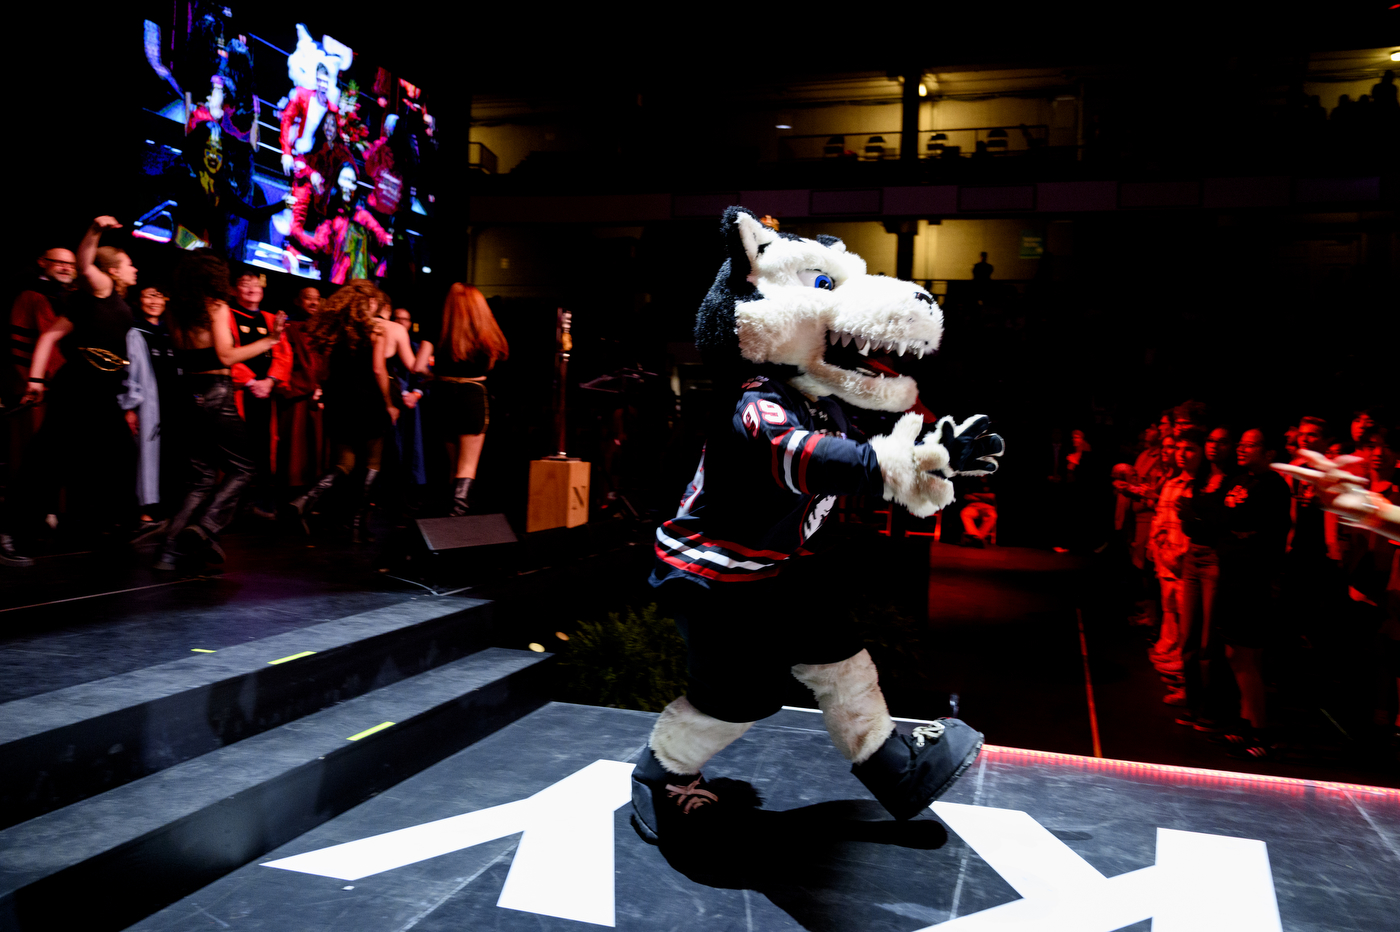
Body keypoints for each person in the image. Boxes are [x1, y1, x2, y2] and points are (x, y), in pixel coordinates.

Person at [154, 252, 285, 570]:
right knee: (244, 468)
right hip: (215, 393)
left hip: (186, 394)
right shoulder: (215, 306)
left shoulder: (173, 310)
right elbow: (226, 356)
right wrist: (270, 339)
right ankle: (204, 527)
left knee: (201, 478)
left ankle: (168, 554)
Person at [19, 217, 139, 545]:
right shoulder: (102, 289)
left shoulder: (98, 302)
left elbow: (49, 337)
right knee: (48, 458)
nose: (136, 269)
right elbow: (85, 263)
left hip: (102, 391)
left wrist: (36, 377)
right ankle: (18, 529)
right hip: (78, 387)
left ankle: (107, 522)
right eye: (129, 264)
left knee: (116, 455)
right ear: (112, 271)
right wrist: (94, 231)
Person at [289, 280, 398, 541]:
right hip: (368, 400)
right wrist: (389, 403)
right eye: (373, 301)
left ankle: (304, 500)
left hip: (338, 400)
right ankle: (357, 523)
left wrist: (323, 391)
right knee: (372, 462)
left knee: (344, 463)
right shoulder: (375, 330)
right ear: (367, 302)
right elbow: (378, 369)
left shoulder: (332, 329)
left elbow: (323, 369)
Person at [1211, 428, 1292, 758]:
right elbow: (1221, 521)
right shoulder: (1237, 480)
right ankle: (1246, 724)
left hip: (1252, 580)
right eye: (1240, 444)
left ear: (1269, 452)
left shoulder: (1273, 486)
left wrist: (1238, 537)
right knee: (1239, 653)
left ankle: (1262, 732)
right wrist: (1233, 535)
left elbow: (1263, 534)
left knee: (1244, 654)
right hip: (1233, 577)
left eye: (1251, 445)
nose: (1242, 450)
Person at [414, 284, 509, 515]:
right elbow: (491, 365)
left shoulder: (439, 327)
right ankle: (457, 519)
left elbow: (418, 366)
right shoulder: (484, 328)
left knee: (453, 465)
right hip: (472, 395)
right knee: (466, 467)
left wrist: (433, 376)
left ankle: (450, 521)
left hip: (443, 395)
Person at [1173, 426, 1236, 730]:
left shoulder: (1233, 482)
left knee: (1209, 637)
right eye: (1210, 441)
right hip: (1193, 555)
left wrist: (1196, 518)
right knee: (1189, 634)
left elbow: (1224, 524)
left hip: (1213, 558)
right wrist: (1192, 520)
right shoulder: (1199, 480)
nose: (1214, 446)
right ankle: (1193, 702)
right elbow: (1193, 524)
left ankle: (1211, 708)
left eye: (1221, 441)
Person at [8, 247, 75, 479]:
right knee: (36, 450)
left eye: (71, 264)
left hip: (58, 384)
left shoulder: (69, 295)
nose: (67, 268)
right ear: (42, 262)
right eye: (59, 262)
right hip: (40, 386)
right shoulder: (32, 296)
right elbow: (36, 344)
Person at [228, 273, 292, 518]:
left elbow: (284, 354)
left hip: (266, 393)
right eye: (245, 283)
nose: (253, 288)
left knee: (265, 448)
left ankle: (262, 500)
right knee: (239, 448)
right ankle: (236, 504)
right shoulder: (228, 316)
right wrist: (251, 381)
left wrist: (270, 381)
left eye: (257, 284)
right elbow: (226, 352)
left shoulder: (270, 319)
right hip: (239, 393)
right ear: (234, 290)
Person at [275, 287, 327, 489]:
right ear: (298, 301)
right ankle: (293, 492)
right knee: (296, 448)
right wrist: (309, 387)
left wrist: (323, 387)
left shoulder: (326, 328)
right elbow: (285, 362)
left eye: (317, 299)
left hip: (322, 393)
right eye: (308, 298)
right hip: (297, 393)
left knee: (321, 447)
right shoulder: (288, 327)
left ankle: (317, 492)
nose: (314, 303)